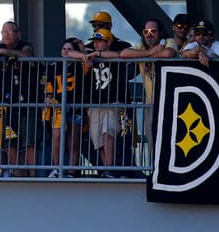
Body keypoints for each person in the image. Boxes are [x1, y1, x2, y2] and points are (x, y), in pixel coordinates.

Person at [0, 21, 39, 175]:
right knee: (8, 141)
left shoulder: (24, 45)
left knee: (28, 142)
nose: (5, 35)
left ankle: (33, 177)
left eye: (9, 31)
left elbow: (25, 55)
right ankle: (17, 173)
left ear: (17, 34)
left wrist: (2, 52)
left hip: (27, 103)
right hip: (5, 105)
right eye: (3, 32)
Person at [77, 29, 130, 176]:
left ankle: (110, 169)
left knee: (108, 133)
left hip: (113, 103)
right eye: (95, 41)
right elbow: (69, 53)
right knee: (98, 140)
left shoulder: (112, 55)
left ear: (108, 42)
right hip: (95, 104)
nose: (96, 44)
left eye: (100, 41)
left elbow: (119, 55)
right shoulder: (90, 56)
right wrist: (85, 53)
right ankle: (107, 170)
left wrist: (97, 54)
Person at [120, 18, 176, 152]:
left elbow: (168, 53)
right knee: (151, 138)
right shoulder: (141, 46)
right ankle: (155, 170)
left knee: (169, 137)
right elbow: (124, 53)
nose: (149, 34)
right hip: (150, 103)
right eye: (146, 31)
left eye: (153, 31)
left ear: (161, 32)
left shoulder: (169, 42)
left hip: (169, 101)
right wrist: (150, 53)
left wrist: (145, 58)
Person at [46, 38, 85, 176]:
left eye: (70, 49)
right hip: (58, 107)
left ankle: (72, 171)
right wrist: (48, 97)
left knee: (73, 141)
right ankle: (56, 168)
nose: (66, 52)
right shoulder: (53, 66)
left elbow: (87, 56)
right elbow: (48, 85)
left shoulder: (80, 65)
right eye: (64, 49)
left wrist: (79, 50)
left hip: (76, 107)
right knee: (56, 136)